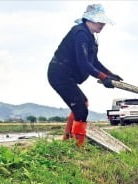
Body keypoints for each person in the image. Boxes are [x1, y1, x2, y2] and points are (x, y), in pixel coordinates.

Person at [47, 4, 122, 146]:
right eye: (99, 21)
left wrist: (110, 74)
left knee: (82, 104)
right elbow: (84, 64)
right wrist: (103, 78)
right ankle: (77, 146)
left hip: (67, 75)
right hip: (60, 74)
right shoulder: (80, 33)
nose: (103, 24)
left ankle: (67, 141)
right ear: (90, 20)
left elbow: (94, 61)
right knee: (81, 109)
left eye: (103, 21)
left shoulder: (90, 36)